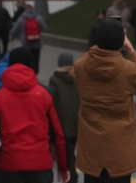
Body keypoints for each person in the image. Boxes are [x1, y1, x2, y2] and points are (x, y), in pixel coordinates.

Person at [72, 18, 136, 183]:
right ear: (120, 42)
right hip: (120, 151)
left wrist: (97, 47)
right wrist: (131, 50)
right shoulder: (127, 70)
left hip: (91, 150)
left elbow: (81, 66)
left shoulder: (81, 67)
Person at [0, 47, 70, 183]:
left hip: (8, 165)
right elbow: (59, 135)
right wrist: (63, 166)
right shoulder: (46, 94)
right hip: (40, 166)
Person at [48, 53, 80, 183]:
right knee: (72, 150)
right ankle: (73, 175)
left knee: (67, 154)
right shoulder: (78, 77)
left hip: (62, 124)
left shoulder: (54, 80)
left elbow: (52, 101)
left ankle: (71, 176)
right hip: (77, 122)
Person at [9, 5, 46, 72]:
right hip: (37, 43)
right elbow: (44, 28)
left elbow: (15, 30)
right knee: (36, 60)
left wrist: (12, 36)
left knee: (27, 60)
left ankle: (28, 74)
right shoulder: (38, 18)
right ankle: (35, 75)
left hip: (26, 44)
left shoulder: (21, 19)